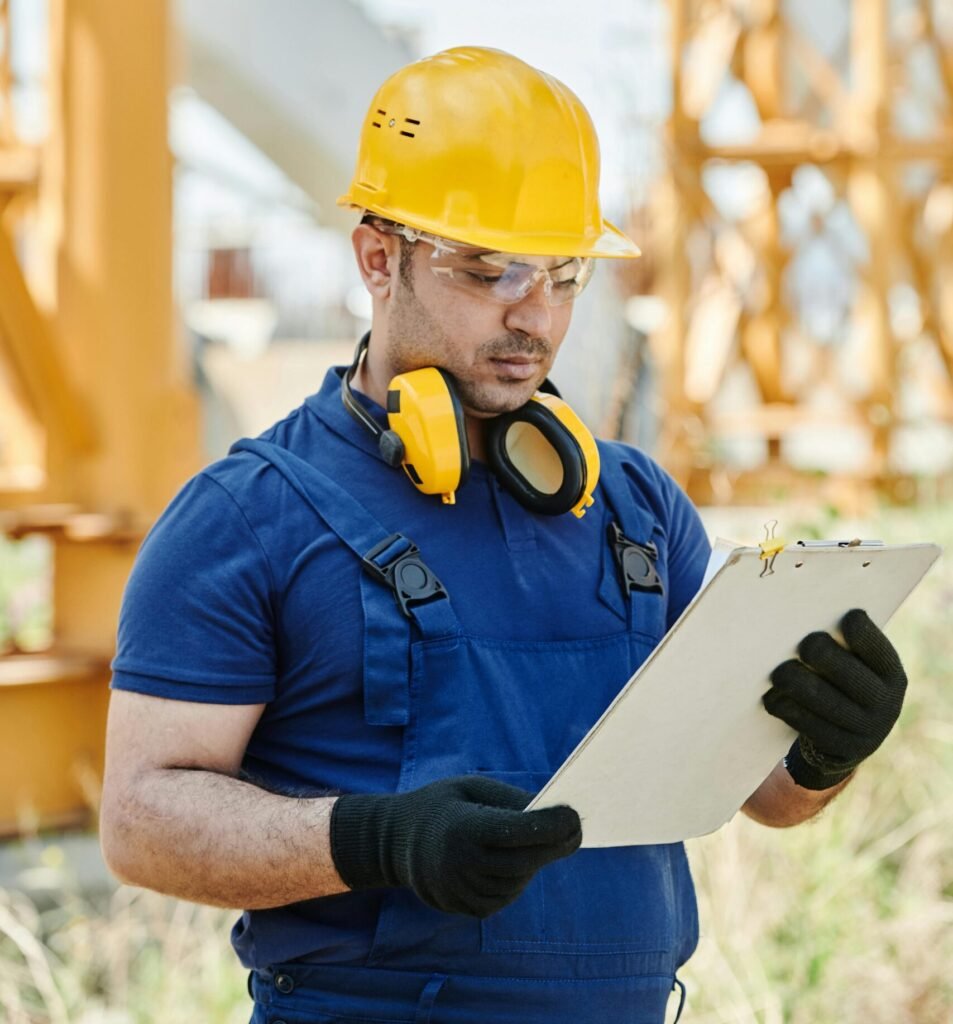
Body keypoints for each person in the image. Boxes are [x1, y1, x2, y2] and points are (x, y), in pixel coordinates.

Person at [100, 47, 909, 1023]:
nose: (534, 316)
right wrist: (377, 841)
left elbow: (766, 799)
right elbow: (139, 823)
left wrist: (826, 750)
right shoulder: (246, 516)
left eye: (563, 278)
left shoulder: (633, 507)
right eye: (489, 272)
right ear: (374, 257)